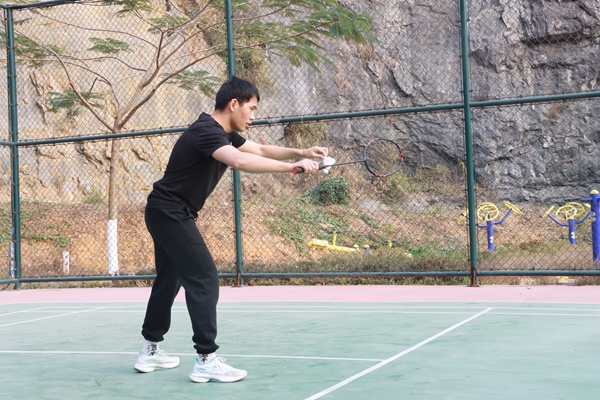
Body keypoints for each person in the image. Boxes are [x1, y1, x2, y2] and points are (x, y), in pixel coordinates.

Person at [133, 76, 328, 383]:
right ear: (234, 104)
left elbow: (260, 150)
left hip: (163, 211)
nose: (253, 116)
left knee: (170, 279)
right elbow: (239, 161)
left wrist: (302, 152)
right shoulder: (206, 132)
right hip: (170, 212)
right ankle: (206, 360)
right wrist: (292, 168)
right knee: (204, 278)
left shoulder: (222, 133)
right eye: (251, 108)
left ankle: (150, 350)